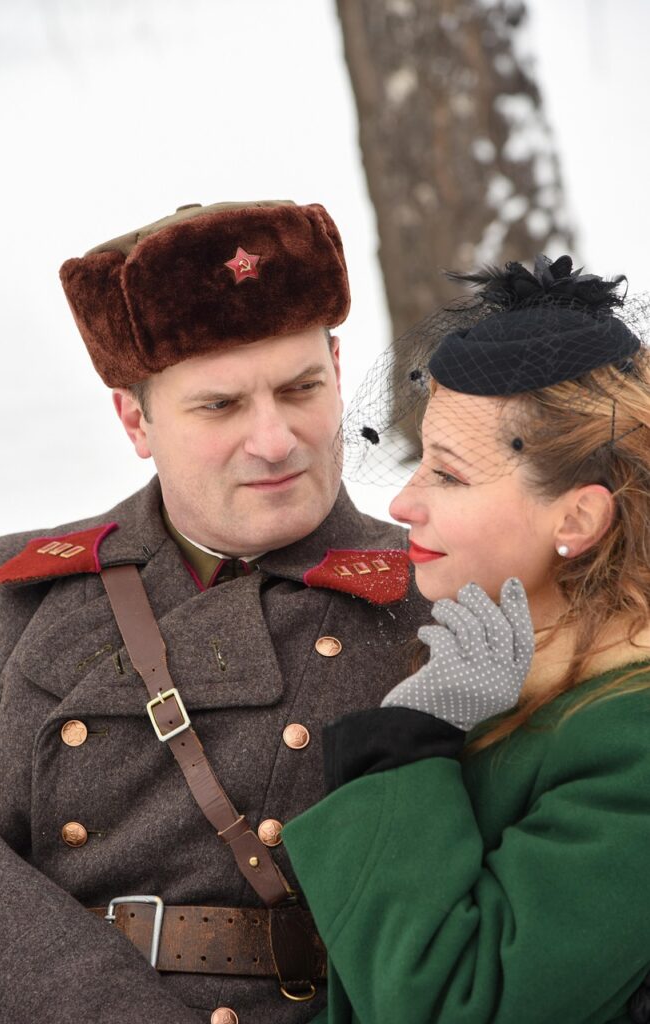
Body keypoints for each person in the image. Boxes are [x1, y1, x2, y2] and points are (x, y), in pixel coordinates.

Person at [0, 200, 427, 1024]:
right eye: (219, 406)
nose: (275, 441)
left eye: (300, 388)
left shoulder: (442, 587)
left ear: (336, 366)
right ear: (134, 419)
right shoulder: (2, 590)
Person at [283, 255, 650, 1023]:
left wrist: (406, 744)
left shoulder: (633, 740)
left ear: (577, 518)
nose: (401, 501)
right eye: (420, 460)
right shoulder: (497, 662)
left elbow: (449, 1005)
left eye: (448, 475)